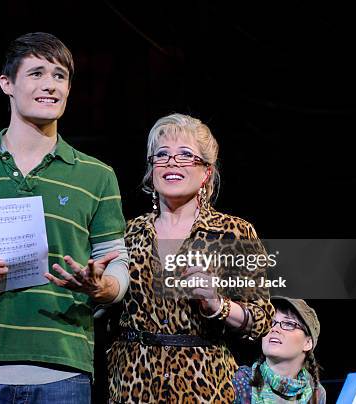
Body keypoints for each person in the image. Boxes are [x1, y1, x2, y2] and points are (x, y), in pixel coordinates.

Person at [0, 32, 128, 403]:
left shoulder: (97, 175)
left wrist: (102, 288)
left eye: (60, 76)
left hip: (63, 370)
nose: (50, 85)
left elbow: (117, 263)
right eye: (36, 73)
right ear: (7, 84)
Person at [107, 113, 274, 403]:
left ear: (206, 172)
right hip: (132, 381)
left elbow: (261, 319)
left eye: (186, 155)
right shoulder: (128, 232)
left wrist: (217, 305)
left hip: (205, 384)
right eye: (162, 155)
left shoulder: (233, 232)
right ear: (151, 169)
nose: (172, 162)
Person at [232, 296, 326, 403]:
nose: (274, 329)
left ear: (308, 343)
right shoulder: (240, 381)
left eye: (289, 324)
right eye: (270, 322)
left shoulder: (316, 393)